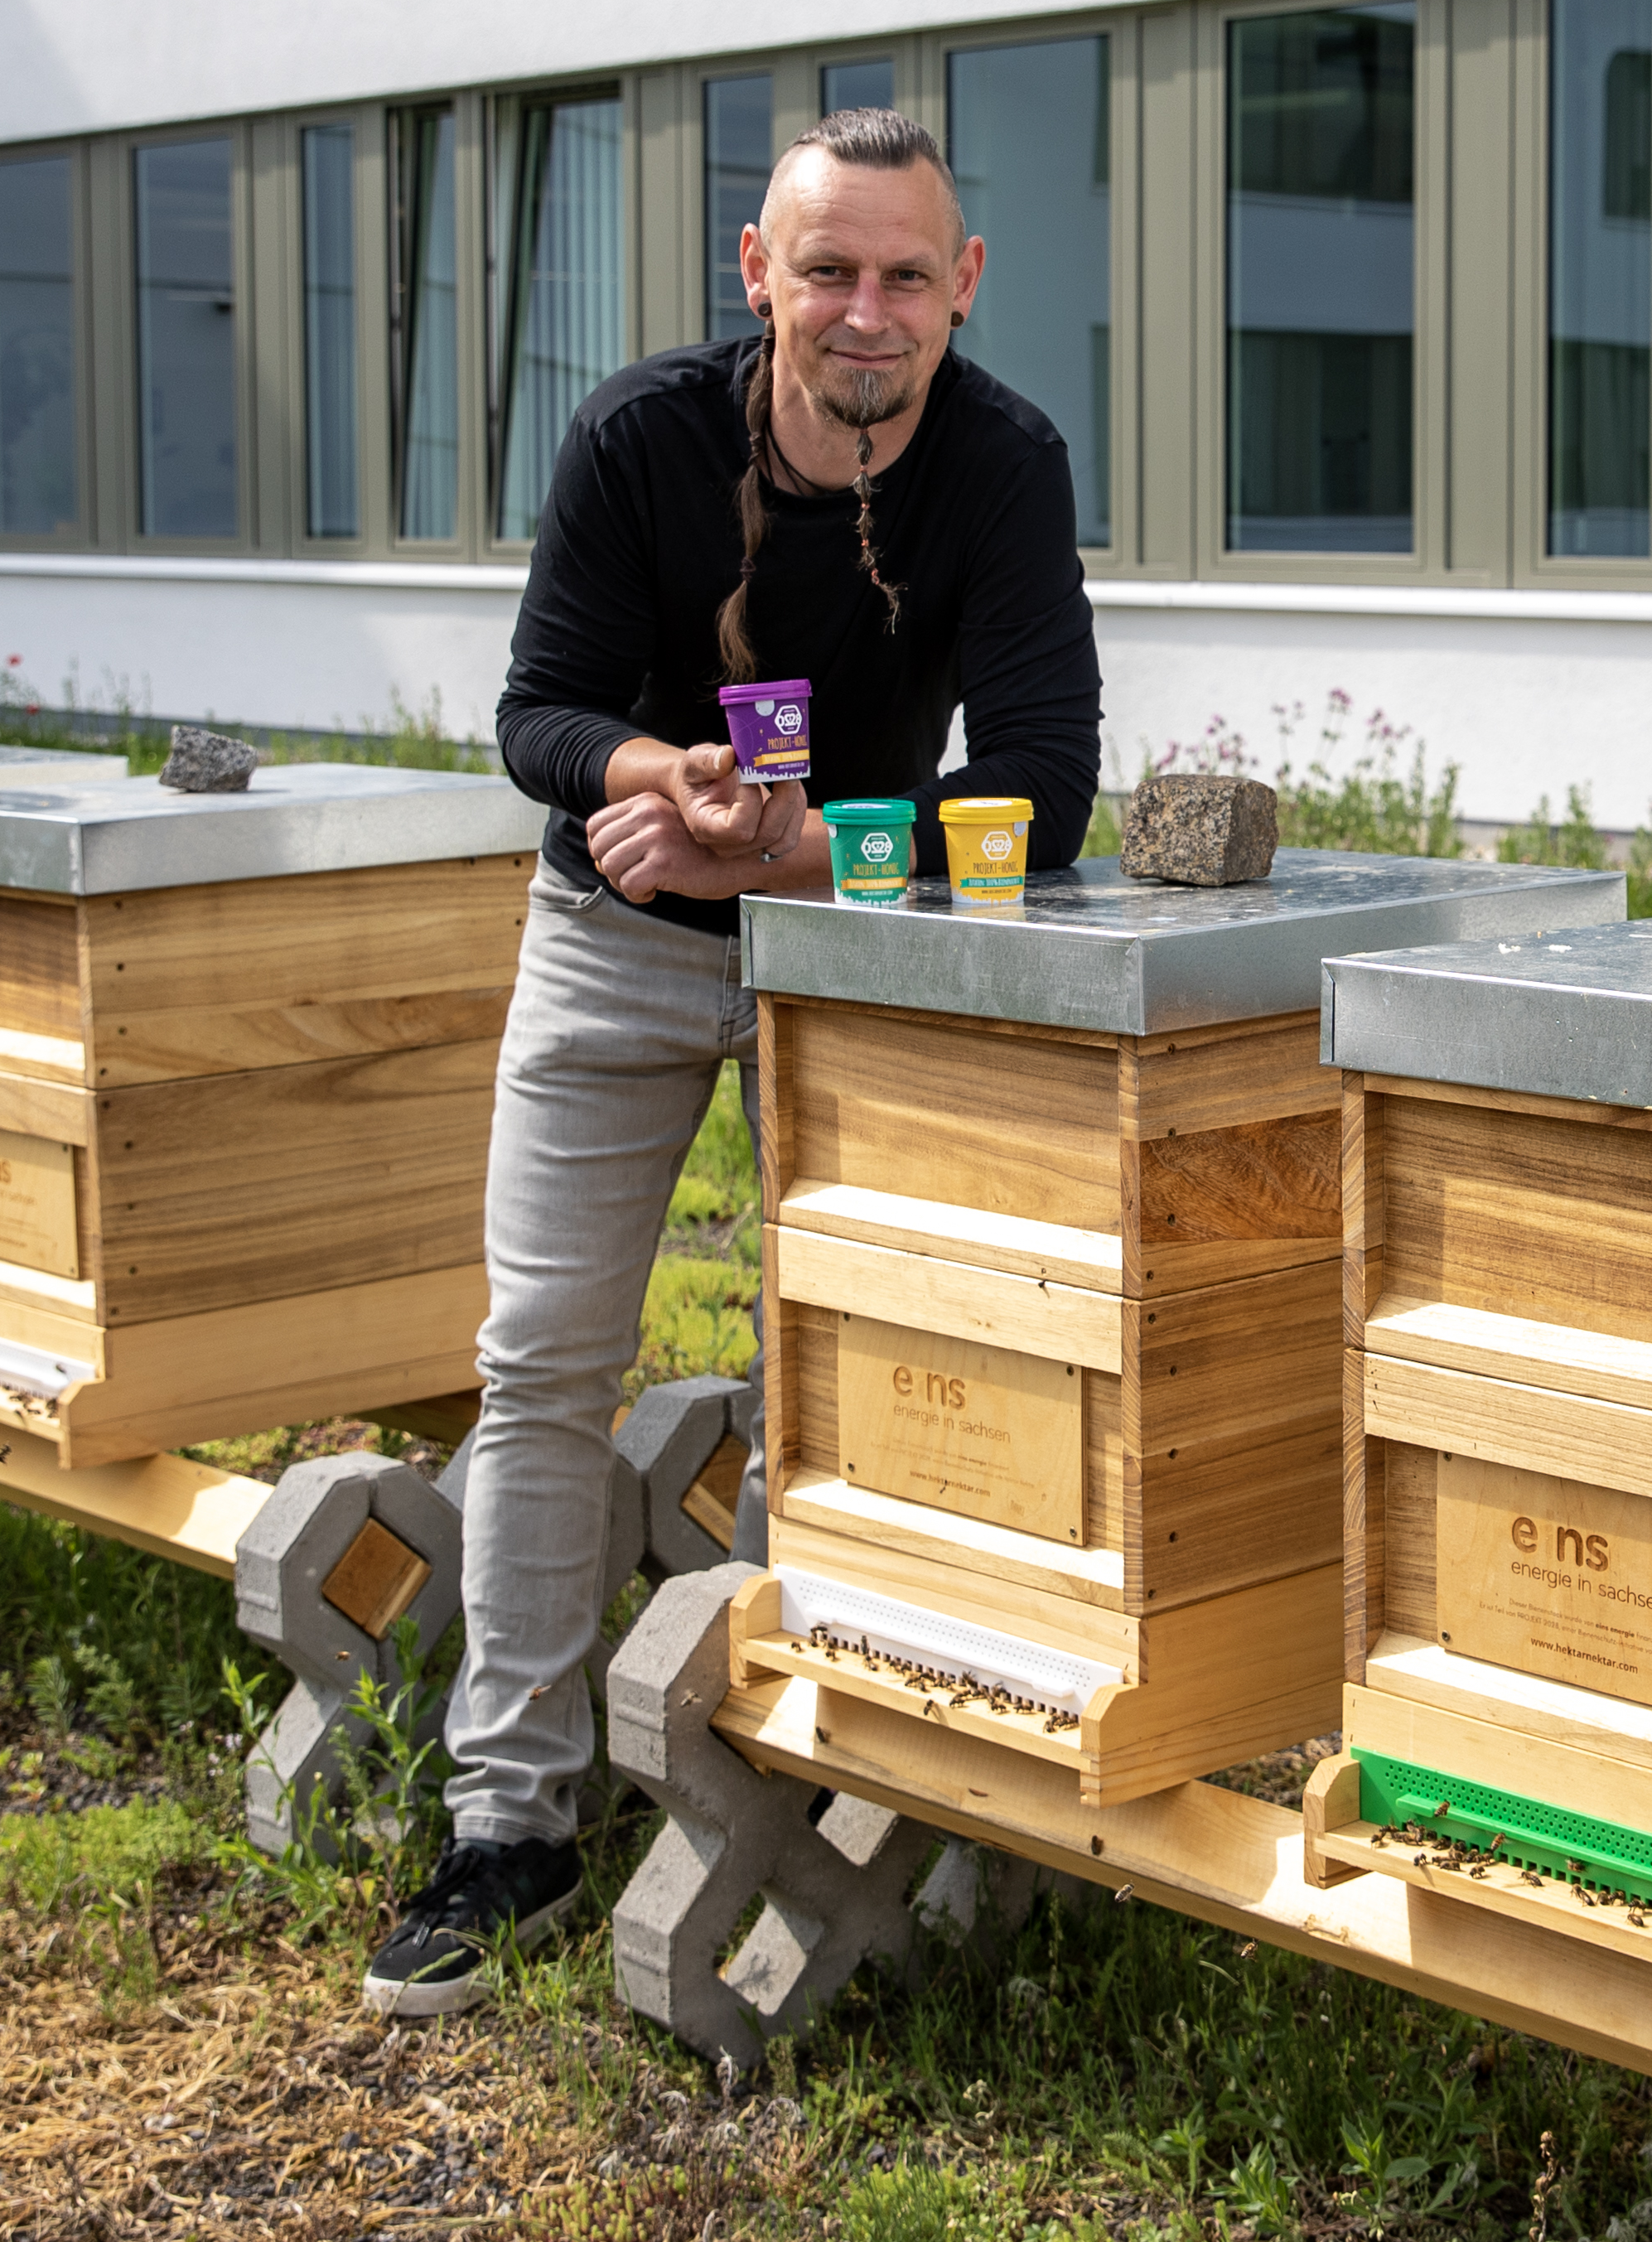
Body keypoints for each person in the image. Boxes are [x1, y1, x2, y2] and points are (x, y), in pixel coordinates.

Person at [361, 106, 1101, 2016]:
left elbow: (1044, 783)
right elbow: (538, 710)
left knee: (832, 1384)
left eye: (906, 275)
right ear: (755, 270)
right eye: (830, 268)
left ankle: (807, 1782)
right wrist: (653, 780)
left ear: (964, 289)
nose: (869, 311)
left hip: (844, 965)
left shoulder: (1007, 465)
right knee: (541, 1368)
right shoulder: (637, 435)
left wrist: (798, 847)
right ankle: (508, 1823)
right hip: (610, 935)